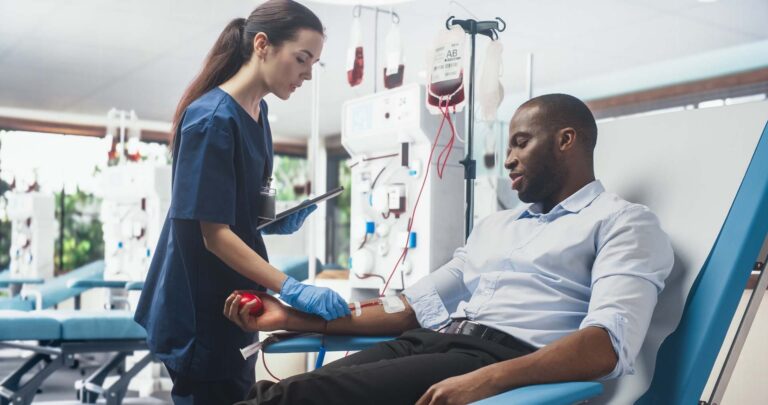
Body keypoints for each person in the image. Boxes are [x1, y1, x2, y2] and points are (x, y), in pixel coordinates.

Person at [223, 94, 675, 405]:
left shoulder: (622, 222)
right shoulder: (494, 227)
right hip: (430, 343)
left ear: (566, 140)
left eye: (521, 142)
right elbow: (410, 308)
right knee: (293, 391)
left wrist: (484, 380)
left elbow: (606, 347)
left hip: (502, 359)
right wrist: (290, 316)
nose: (510, 159)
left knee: (285, 401)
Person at [134, 1, 350, 403]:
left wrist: (275, 218)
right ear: (263, 45)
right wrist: (290, 287)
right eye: (302, 58)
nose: (306, 73)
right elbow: (214, 234)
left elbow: (245, 205)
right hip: (200, 311)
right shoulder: (211, 120)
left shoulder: (258, 111)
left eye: (313, 64)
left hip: (237, 301)